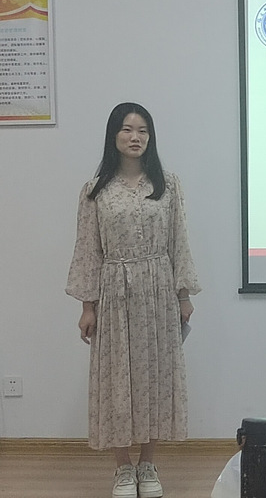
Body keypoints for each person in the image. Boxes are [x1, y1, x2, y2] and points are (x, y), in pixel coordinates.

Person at [66, 102, 201, 498]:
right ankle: (123, 467)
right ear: (114, 136)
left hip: (159, 290)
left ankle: (148, 464)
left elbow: (179, 240)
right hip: (115, 294)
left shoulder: (168, 185)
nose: (135, 137)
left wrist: (183, 294)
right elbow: (88, 250)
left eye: (143, 130)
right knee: (117, 378)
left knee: (155, 376)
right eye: (127, 129)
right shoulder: (95, 191)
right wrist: (87, 306)